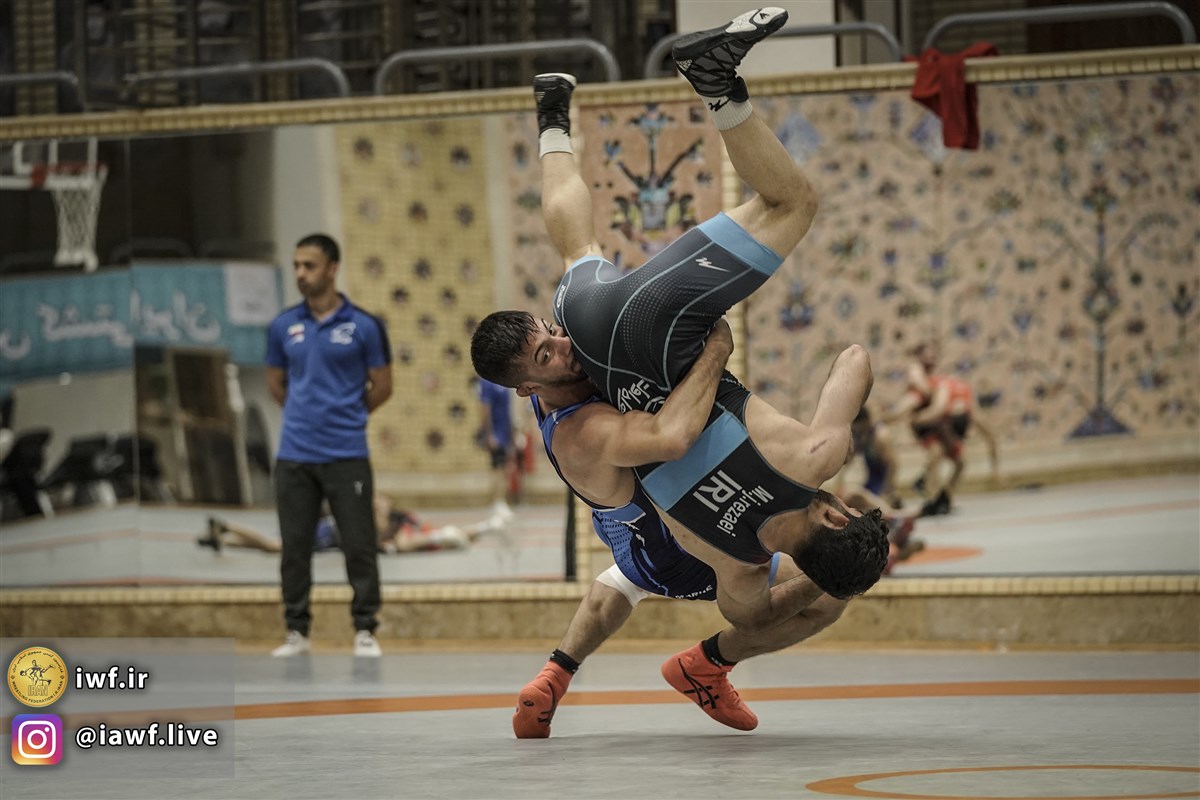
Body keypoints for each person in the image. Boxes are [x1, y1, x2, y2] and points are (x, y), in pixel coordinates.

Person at [472, 8, 890, 642]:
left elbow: (854, 358)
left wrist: (837, 438)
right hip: (589, 319)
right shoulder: (737, 572)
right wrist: (835, 580)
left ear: (834, 518)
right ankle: (552, 120)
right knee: (578, 246)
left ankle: (717, 85)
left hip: (659, 330)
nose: (842, 502)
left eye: (845, 509)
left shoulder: (814, 459)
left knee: (791, 204)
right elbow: (754, 618)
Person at [265, 233, 393, 658]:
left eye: (309, 265)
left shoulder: (364, 326)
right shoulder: (283, 326)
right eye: (296, 266)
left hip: (347, 454)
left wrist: (346, 415)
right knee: (295, 547)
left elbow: (383, 385)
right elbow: (276, 384)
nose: (300, 273)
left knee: (359, 544)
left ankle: (365, 630)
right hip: (294, 456)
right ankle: (296, 632)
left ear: (332, 269)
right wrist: (306, 416)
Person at [198, 496, 501, 555]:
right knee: (275, 545)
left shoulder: (396, 527)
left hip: (331, 536)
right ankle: (227, 526)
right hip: (329, 533)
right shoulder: (387, 521)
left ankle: (223, 539)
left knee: (272, 546)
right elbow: (378, 510)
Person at [477, 377, 518, 524]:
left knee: (505, 468)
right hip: (496, 434)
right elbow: (485, 409)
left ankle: (501, 502)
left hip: (505, 432)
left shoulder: (504, 383)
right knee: (498, 469)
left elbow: (509, 411)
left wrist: (512, 435)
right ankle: (497, 503)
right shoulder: (487, 384)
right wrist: (488, 434)